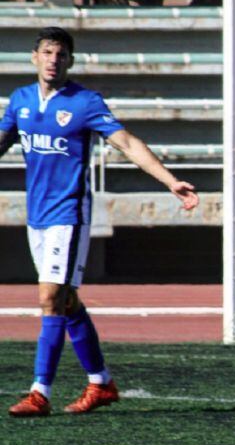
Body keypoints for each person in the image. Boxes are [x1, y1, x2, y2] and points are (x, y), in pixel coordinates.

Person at [1, 27, 199, 417]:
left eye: (61, 53)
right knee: (67, 300)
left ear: (70, 61)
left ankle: (39, 392)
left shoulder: (85, 103)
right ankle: (101, 382)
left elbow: (126, 142)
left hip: (68, 213)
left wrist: (170, 180)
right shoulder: (20, 100)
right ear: (34, 57)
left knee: (49, 299)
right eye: (47, 52)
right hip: (36, 214)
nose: (53, 59)